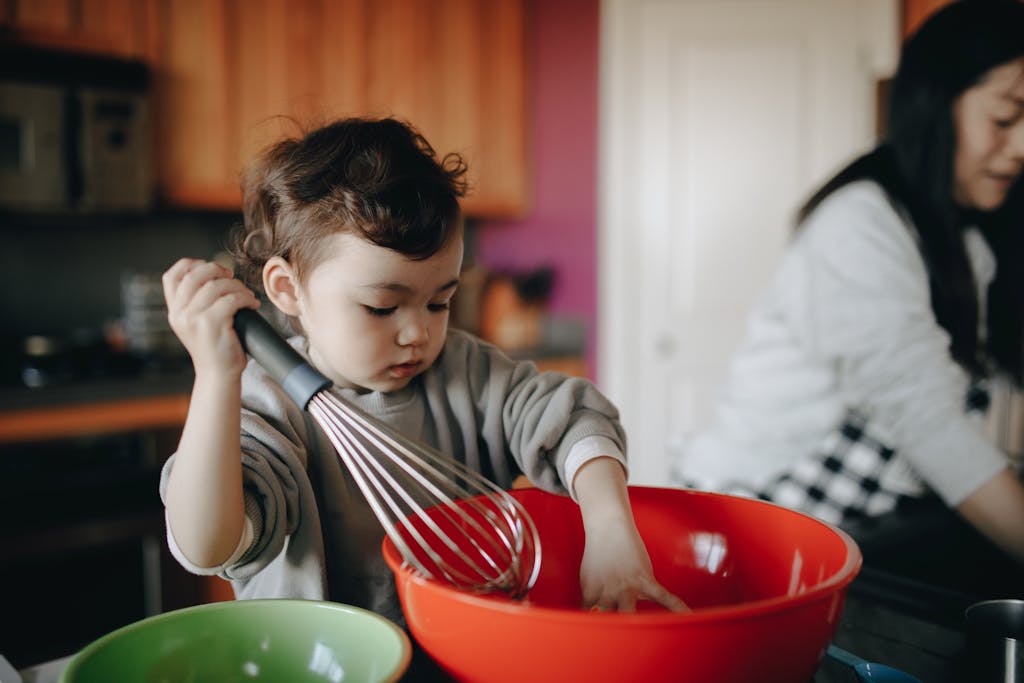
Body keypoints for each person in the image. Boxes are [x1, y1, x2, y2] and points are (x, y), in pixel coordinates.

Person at [160, 116, 685, 627]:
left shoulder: (467, 374)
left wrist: (611, 527)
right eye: (382, 308)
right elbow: (209, 546)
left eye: (439, 302)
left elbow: (576, 419)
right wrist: (216, 378)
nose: (417, 333)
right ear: (286, 289)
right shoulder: (266, 405)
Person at [671, 0, 1024, 567]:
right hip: (750, 526)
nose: (1022, 147)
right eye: (1006, 119)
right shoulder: (859, 226)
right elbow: (925, 421)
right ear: (936, 106)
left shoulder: (970, 242)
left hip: (852, 531)